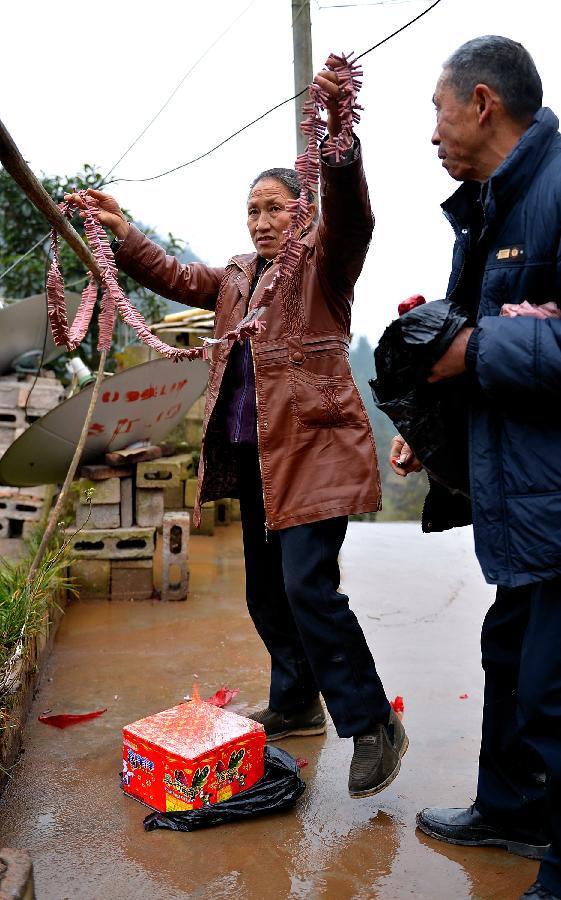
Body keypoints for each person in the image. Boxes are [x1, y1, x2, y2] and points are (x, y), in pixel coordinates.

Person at [69, 59, 407, 799]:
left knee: (308, 589)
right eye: (251, 209)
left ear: (301, 214)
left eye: (274, 208)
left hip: (313, 455)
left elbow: (353, 217)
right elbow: (173, 275)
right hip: (255, 462)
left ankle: (373, 721)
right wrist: (124, 233)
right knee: (266, 594)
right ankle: (293, 702)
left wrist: (339, 153)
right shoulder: (231, 277)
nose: (260, 221)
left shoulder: (324, 265)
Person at [389, 35, 561, 900]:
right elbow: (466, 331)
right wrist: (430, 420)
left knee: (553, 686)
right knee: (507, 653)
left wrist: (476, 348)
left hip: (556, 489)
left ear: (482, 103)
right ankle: (509, 810)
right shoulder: (490, 206)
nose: (432, 131)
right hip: (521, 486)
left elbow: (484, 340)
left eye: (436, 109)